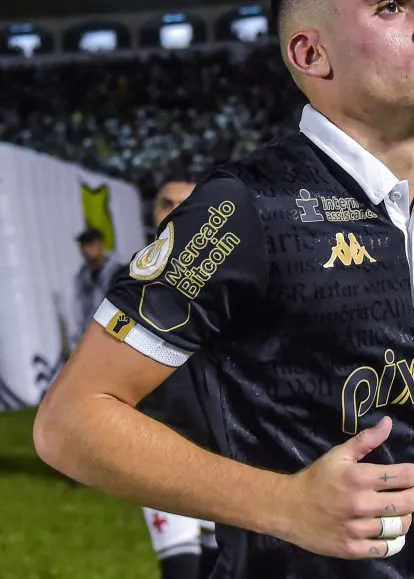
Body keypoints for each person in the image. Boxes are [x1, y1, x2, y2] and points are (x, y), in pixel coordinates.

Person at [34, 0, 414, 579]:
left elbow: (367, 407)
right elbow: (71, 421)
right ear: (311, 54)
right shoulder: (245, 205)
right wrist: (287, 502)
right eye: (391, 6)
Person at [134, 172, 220, 579]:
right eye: (166, 203)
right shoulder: (131, 284)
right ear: (152, 213)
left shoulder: (238, 284)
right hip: (162, 449)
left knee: (220, 567)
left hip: (226, 453)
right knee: (181, 569)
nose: (176, 213)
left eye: (186, 203)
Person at [70, 228, 121, 355]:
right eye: (83, 245)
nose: (87, 249)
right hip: (91, 340)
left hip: (115, 338)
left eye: (91, 244)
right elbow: (79, 311)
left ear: (102, 245)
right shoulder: (81, 276)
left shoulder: (117, 272)